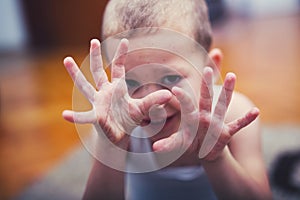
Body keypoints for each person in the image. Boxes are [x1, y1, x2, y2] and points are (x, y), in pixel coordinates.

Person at [62, 0, 272, 199]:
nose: (151, 101)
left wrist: (216, 158)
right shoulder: (114, 126)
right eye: (131, 83)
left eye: (170, 78)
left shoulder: (234, 115)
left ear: (211, 68)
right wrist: (110, 148)